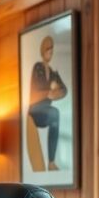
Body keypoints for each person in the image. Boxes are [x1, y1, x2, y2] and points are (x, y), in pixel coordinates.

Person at [28, 36, 67, 171]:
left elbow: (64, 90)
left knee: (55, 117)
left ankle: (51, 161)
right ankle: (51, 161)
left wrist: (56, 91)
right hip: (35, 109)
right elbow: (35, 90)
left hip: (46, 110)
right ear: (43, 51)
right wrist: (49, 91)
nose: (50, 53)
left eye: (51, 51)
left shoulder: (53, 72)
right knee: (54, 113)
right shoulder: (37, 68)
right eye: (48, 50)